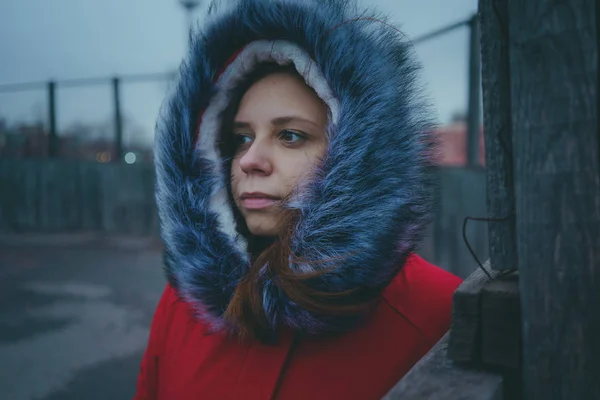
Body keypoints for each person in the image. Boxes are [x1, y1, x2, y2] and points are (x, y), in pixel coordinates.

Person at [134, 0, 462, 399]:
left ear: (357, 155)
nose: (250, 160)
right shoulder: (184, 301)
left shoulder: (436, 313)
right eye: (241, 138)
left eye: (290, 135)